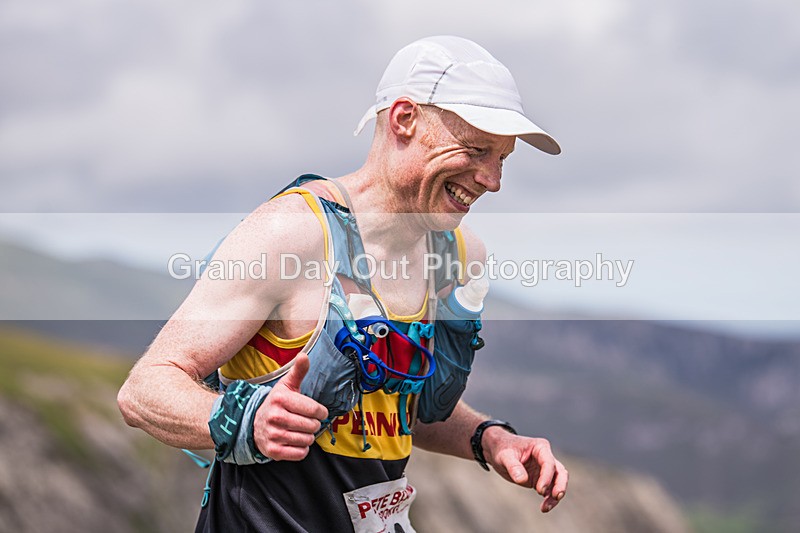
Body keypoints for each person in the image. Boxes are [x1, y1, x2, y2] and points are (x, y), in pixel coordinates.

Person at [118, 35, 569, 533]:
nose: (493, 180)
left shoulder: (457, 254)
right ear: (403, 119)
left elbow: (404, 410)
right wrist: (244, 420)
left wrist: (491, 439)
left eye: (503, 158)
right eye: (477, 149)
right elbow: (145, 389)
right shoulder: (291, 233)